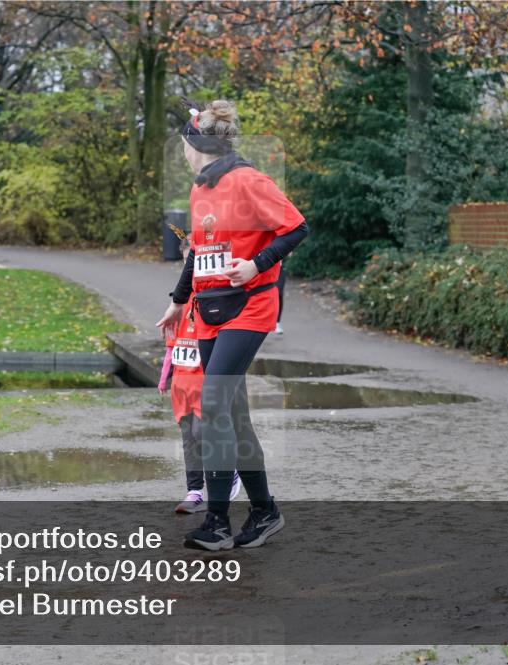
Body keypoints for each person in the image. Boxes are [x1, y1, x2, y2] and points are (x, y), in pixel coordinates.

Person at [156, 99, 309, 550]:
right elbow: (201, 254)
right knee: (234, 417)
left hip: (250, 307)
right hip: (208, 310)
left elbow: (297, 228)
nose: (182, 152)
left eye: (183, 144)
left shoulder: (248, 180)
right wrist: (177, 302)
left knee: (214, 404)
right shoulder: (200, 190)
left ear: (195, 142)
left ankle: (218, 523)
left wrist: (257, 263)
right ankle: (265, 511)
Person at [158, 291, 241, 514]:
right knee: (188, 439)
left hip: (204, 384)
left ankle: (228, 470)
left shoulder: (213, 304)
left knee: (201, 432)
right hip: (181, 385)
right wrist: (164, 377)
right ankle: (194, 491)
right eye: (186, 261)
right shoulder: (177, 307)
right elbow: (171, 347)